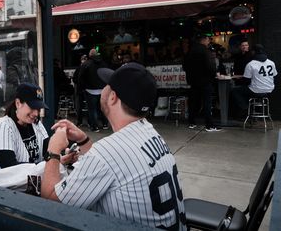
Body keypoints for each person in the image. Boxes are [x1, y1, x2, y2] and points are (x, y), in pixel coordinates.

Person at [41, 62, 186, 230]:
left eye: (106, 84)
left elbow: (52, 202)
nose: (103, 88)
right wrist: (84, 141)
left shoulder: (107, 152)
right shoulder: (150, 132)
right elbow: (113, 165)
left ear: (112, 97)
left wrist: (53, 151)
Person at [0, 83, 50, 170]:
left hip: (31, 180)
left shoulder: (36, 124)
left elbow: (48, 152)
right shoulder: (3, 126)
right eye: (32, 107)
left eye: (39, 109)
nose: (36, 113)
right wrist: (44, 165)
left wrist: (61, 156)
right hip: (3, 182)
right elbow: (10, 168)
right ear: (18, 103)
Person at [183, 35, 219, 132]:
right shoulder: (206, 51)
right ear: (204, 40)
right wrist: (213, 75)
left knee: (194, 102)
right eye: (208, 40)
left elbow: (184, 66)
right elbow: (210, 66)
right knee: (207, 102)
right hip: (205, 80)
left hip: (193, 81)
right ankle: (209, 125)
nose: (208, 42)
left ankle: (192, 122)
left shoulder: (190, 51)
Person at [231, 44, 278, 115]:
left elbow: (246, 81)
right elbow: (274, 76)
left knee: (235, 90)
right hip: (269, 90)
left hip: (256, 90)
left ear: (253, 52)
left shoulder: (251, 64)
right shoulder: (271, 62)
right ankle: (253, 110)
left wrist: (239, 78)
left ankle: (246, 109)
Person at [78, 48, 109, 132]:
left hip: (90, 90)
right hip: (102, 89)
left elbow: (80, 77)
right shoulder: (103, 63)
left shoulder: (86, 64)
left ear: (89, 55)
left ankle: (95, 127)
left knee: (92, 109)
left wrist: (82, 88)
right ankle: (105, 124)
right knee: (102, 108)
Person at [72, 54, 88, 126]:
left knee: (79, 106)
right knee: (88, 107)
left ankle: (79, 122)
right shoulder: (88, 67)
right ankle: (90, 123)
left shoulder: (78, 68)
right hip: (87, 90)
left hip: (80, 89)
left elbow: (74, 79)